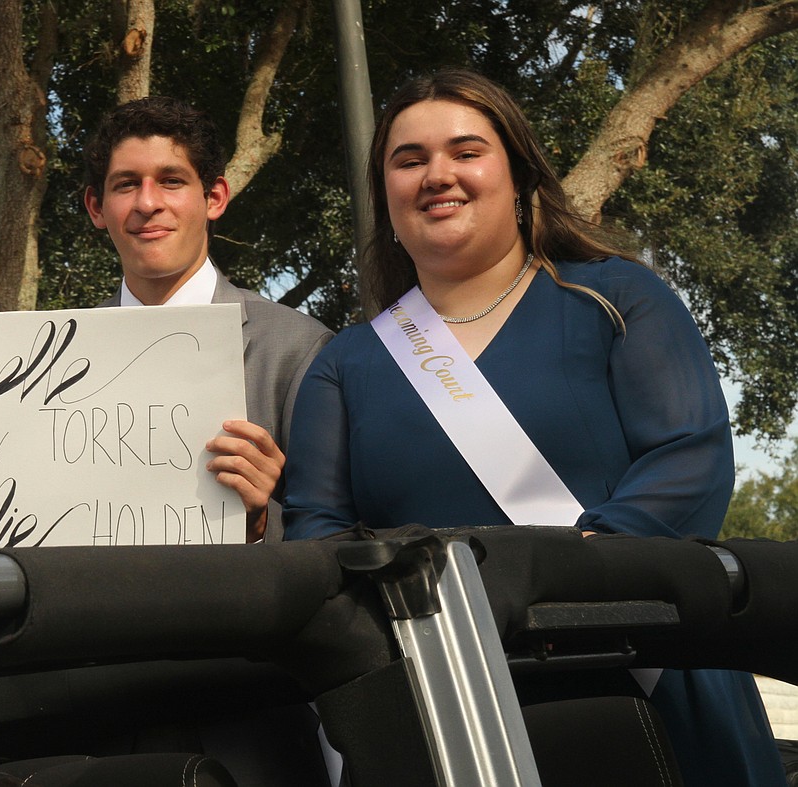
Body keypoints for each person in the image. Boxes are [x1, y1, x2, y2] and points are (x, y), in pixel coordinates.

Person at [281, 69, 784, 785]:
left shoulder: (616, 298)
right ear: (385, 193)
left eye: (466, 151)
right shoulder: (345, 362)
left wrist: (567, 577)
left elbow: (688, 459)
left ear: (518, 175)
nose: (437, 175)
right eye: (409, 160)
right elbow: (318, 532)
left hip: (641, 676)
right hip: (445, 703)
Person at [0, 96, 332, 543]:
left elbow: (340, 540)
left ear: (214, 197)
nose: (147, 203)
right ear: (97, 208)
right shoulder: (38, 361)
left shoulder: (299, 350)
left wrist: (259, 521)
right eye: (126, 184)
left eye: (171, 181)